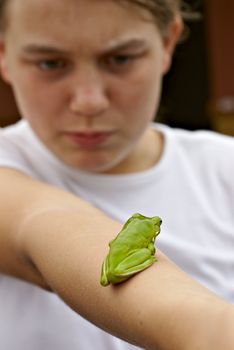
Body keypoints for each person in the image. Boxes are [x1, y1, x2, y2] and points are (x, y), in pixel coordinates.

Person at [0, 0, 233, 349]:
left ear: (168, 42)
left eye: (120, 59)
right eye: (50, 63)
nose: (88, 102)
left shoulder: (224, 164)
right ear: (4, 54)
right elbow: (44, 222)